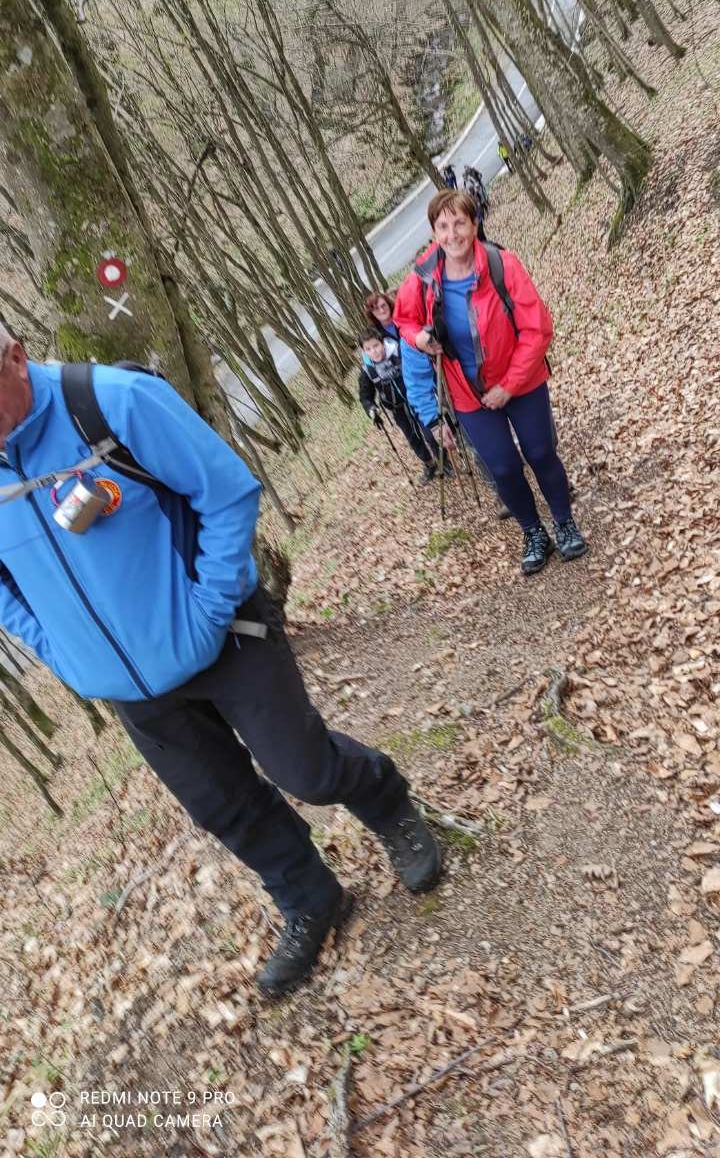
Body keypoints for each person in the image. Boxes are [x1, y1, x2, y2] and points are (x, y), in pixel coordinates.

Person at [0, 325, 442, 996]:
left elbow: (228, 491)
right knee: (223, 806)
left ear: (16, 356)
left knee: (306, 769)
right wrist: (63, 652)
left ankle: (389, 804)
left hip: (225, 634)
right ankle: (310, 897)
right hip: (129, 687)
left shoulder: (111, 402)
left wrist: (208, 607)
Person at [394, 191, 587, 576]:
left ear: (475, 223)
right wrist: (419, 339)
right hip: (468, 395)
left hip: (523, 380)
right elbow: (404, 321)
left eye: (460, 223)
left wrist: (509, 386)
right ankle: (534, 532)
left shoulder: (502, 264)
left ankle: (564, 522)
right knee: (502, 467)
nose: (453, 234)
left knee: (541, 452)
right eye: (443, 226)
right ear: (434, 233)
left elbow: (537, 329)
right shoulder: (423, 279)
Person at [358, 329, 439, 485]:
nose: (374, 351)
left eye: (376, 346)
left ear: (382, 343)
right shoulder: (367, 370)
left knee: (429, 430)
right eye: (368, 349)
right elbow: (365, 395)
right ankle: (429, 464)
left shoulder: (398, 352)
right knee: (412, 437)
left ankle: (443, 460)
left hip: (415, 399)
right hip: (396, 408)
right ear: (364, 351)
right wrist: (371, 409)